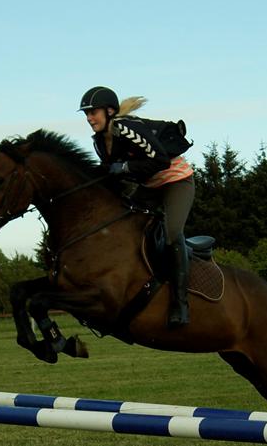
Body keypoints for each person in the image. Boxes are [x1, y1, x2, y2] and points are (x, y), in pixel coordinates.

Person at [78, 86, 195, 328]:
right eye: (86, 114)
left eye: (93, 113)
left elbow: (160, 160)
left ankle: (180, 303)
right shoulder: (100, 142)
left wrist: (124, 169)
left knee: (172, 233)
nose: (89, 118)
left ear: (110, 111)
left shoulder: (127, 128)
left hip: (176, 182)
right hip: (149, 188)